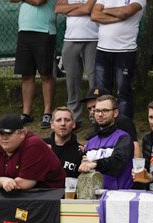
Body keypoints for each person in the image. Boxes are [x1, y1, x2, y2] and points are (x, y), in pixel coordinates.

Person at [0, 113, 65, 191]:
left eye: (9, 134)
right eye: (1, 134)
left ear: (22, 133)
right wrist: (2, 181)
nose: (4, 138)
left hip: (52, 197)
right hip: (21, 199)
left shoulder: (33, 144)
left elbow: (25, 183)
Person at [90, 0, 144, 119]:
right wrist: (118, 16)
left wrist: (104, 11)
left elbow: (125, 12)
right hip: (102, 50)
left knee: (123, 92)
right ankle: (103, 125)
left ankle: (124, 127)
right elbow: (94, 15)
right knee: (102, 92)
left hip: (125, 51)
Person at [12, 0, 56, 129]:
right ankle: (26, 113)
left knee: (45, 74)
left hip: (44, 31)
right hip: (24, 30)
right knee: (26, 74)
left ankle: (47, 112)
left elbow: (39, 1)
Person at [55, 0, 96, 130]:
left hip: (93, 38)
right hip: (70, 39)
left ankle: (98, 116)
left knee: (94, 80)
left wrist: (70, 9)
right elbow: (58, 8)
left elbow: (88, 9)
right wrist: (79, 6)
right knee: (72, 81)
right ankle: (74, 118)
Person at [78, 95, 133, 190]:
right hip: (93, 197)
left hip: (118, 197)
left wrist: (96, 164)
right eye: (97, 111)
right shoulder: (90, 142)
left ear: (115, 113)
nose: (100, 114)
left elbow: (117, 163)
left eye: (105, 111)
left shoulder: (123, 138)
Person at [81, 86, 138, 156]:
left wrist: (136, 166)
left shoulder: (122, 121)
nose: (93, 111)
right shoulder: (98, 124)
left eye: (95, 107)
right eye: (89, 109)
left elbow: (134, 147)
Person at [44, 106, 83, 179]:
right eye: (58, 120)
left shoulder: (80, 150)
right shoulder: (41, 145)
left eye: (67, 120)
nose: (63, 123)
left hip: (67, 190)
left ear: (74, 124)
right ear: (52, 125)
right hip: (42, 189)